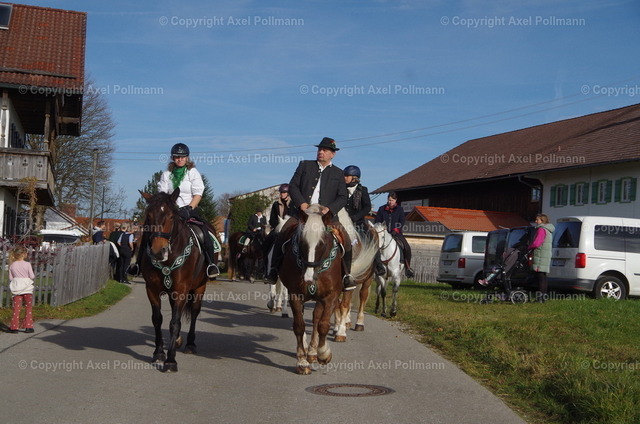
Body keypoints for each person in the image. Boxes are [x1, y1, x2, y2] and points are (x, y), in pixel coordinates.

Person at [265, 137, 355, 290]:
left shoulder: (339, 173)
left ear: (332, 154)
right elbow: (293, 186)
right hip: (302, 214)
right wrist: (301, 203)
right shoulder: (305, 165)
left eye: (325, 150)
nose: (321, 152)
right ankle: (273, 271)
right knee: (281, 234)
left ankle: (347, 276)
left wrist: (329, 209)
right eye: (319, 149)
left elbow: (342, 197)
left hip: (327, 217)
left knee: (346, 240)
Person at [132, 143, 219, 278]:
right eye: (177, 157)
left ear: (187, 158)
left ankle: (211, 264)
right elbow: (162, 194)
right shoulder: (166, 174)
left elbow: (198, 194)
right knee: (149, 232)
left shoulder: (192, 173)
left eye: (182, 157)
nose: (180, 159)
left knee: (204, 232)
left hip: (188, 210)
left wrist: (189, 208)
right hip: (170, 211)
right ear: (173, 158)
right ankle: (137, 264)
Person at [343, 165, 385, 276]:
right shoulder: (341, 189)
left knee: (371, 238)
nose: (344, 178)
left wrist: (356, 217)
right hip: (342, 222)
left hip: (358, 223)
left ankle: (378, 264)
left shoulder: (363, 190)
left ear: (354, 178)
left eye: (347, 176)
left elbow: (367, 207)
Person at [375, 191, 415, 278]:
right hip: (383, 234)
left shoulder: (400, 209)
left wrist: (395, 230)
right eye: (389, 200)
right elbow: (377, 222)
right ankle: (376, 267)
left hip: (396, 233)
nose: (390, 202)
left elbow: (402, 221)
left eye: (392, 200)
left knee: (407, 248)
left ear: (396, 200)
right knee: (374, 247)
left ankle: (408, 268)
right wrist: (382, 229)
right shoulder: (381, 209)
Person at [528, 213, 555, 302]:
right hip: (545, 255)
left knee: (540, 277)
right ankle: (543, 296)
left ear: (542, 220)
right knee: (543, 276)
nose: (535, 221)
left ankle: (540, 297)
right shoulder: (548, 230)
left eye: (537, 220)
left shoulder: (541, 229)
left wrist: (529, 247)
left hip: (540, 255)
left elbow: (537, 243)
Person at [8, 246, 35, 334]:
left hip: (17, 288)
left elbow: (11, 278)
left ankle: (14, 327)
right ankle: (28, 326)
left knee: (16, 308)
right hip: (27, 288)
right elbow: (32, 276)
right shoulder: (27, 264)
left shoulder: (12, 265)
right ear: (23, 254)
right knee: (28, 307)